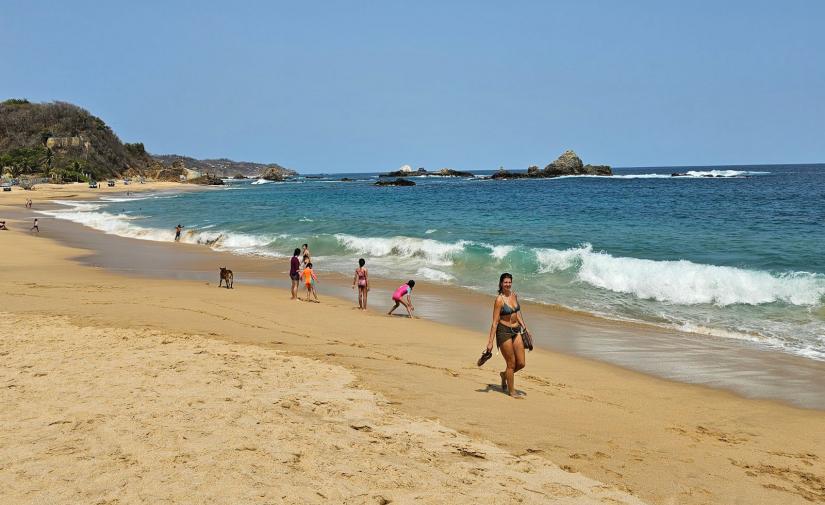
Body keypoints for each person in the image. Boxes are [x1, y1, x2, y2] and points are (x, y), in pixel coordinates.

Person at [486, 273, 529, 398]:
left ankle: (504, 375)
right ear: (501, 283)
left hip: (516, 330)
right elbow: (495, 322)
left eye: (509, 282)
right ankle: (512, 391)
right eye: (505, 282)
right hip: (503, 332)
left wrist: (525, 327)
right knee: (511, 363)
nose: (508, 284)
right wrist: (490, 342)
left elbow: (516, 313)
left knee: (521, 363)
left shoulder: (514, 295)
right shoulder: (499, 300)